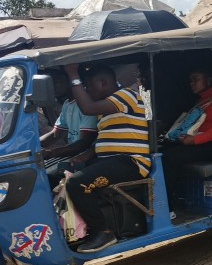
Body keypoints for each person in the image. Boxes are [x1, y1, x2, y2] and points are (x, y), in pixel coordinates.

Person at [63, 63, 151, 253]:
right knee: (63, 172)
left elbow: (86, 108)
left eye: (88, 86)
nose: (86, 90)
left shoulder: (125, 95)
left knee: (77, 183)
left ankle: (103, 232)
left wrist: (73, 74)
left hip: (131, 162)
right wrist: (87, 154)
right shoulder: (108, 108)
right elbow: (108, 136)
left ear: (103, 82)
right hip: (111, 161)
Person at [161, 68, 212, 201]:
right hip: (199, 141)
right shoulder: (200, 101)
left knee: (171, 157)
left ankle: (168, 205)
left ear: (209, 80)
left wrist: (195, 140)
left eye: (196, 79)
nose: (192, 83)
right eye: (190, 80)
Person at [40, 69, 98, 181]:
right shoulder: (67, 104)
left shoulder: (86, 104)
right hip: (73, 154)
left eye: (55, 82)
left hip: (86, 156)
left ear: (69, 80)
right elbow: (55, 134)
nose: (52, 86)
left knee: (46, 178)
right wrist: (33, 145)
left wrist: (51, 153)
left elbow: (84, 143)